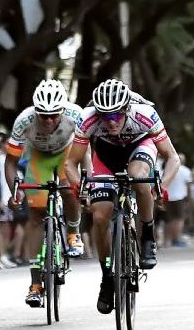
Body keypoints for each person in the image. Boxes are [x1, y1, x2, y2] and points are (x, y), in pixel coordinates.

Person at [65, 78, 180, 314]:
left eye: (116, 116)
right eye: (105, 117)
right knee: (99, 217)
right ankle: (107, 276)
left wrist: (162, 187)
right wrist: (80, 189)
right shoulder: (88, 119)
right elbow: (70, 163)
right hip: (106, 155)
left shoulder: (145, 113)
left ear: (127, 109)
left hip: (139, 146)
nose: (111, 122)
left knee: (138, 178)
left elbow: (173, 158)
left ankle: (147, 236)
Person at [4, 79, 84, 307]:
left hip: (67, 154)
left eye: (54, 115)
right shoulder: (24, 120)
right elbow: (10, 162)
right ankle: (35, 284)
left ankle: (73, 232)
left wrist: (85, 182)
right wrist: (15, 192)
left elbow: (86, 151)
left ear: (62, 110)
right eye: (43, 115)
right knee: (36, 215)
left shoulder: (75, 115)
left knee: (69, 189)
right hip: (39, 158)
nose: (48, 120)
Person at [163, 152, 191, 247]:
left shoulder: (166, 170)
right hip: (180, 197)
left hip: (167, 197)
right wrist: (189, 199)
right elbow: (188, 186)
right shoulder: (186, 171)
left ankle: (167, 240)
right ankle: (177, 239)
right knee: (179, 219)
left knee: (169, 220)